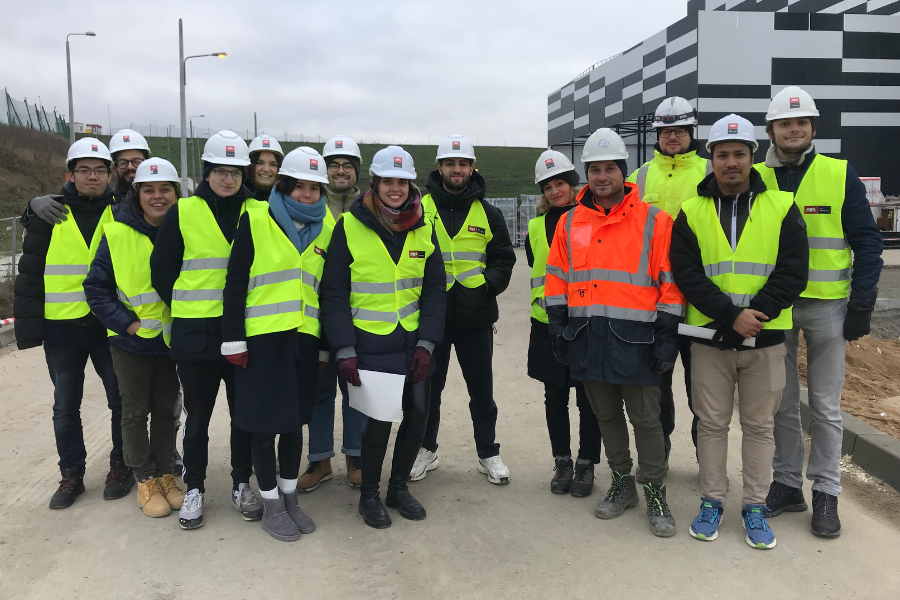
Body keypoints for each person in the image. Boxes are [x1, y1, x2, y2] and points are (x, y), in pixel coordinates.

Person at [671, 114, 809, 549]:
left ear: (753, 158)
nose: (731, 162)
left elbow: (793, 272)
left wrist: (758, 313)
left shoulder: (782, 206)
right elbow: (687, 273)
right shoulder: (691, 210)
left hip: (765, 339)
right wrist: (731, 315)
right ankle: (712, 500)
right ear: (710, 159)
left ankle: (754, 505)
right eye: (722, 154)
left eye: (739, 154)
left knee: (759, 427)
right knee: (711, 424)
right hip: (710, 339)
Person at [756, 87, 884, 538]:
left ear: (813, 128)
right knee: (782, 402)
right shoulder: (755, 177)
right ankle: (787, 484)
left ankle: (826, 493)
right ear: (771, 130)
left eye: (803, 123)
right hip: (775, 307)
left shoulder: (838, 174)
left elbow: (869, 243)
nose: (795, 129)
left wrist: (862, 304)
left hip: (827, 306)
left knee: (827, 406)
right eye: (786, 123)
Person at [544, 128, 685, 538]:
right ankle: (622, 483)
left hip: (638, 339)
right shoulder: (570, 223)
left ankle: (655, 490)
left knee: (646, 420)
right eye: (595, 169)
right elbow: (556, 278)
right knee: (605, 417)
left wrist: (666, 337)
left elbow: (669, 283)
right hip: (589, 337)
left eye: (610, 169)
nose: (602, 177)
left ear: (624, 173)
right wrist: (558, 329)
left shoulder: (655, 221)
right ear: (585, 175)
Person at [320, 146, 446, 529]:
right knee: (378, 423)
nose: (396, 189)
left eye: (402, 182)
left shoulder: (425, 225)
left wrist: (427, 343)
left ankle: (398, 487)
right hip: (370, 343)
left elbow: (435, 291)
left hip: (412, 343)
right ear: (374, 183)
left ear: (411, 185)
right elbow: (335, 292)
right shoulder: (350, 225)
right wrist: (344, 348)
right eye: (388, 181)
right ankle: (370, 494)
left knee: (419, 415)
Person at [150, 131, 261, 530]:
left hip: (244, 330)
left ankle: (240, 483)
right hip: (196, 334)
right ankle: (194, 487)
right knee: (198, 418)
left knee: (243, 415)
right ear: (207, 173)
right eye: (219, 171)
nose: (227, 179)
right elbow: (162, 270)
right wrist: (186, 304)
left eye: (234, 172)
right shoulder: (184, 211)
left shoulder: (258, 210)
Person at [14, 137, 133, 508]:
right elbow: (30, 272)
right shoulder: (50, 213)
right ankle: (71, 475)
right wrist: (30, 208)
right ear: (71, 174)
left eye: (99, 170)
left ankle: (120, 466)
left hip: (108, 324)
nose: (93, 177)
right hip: (62, 326)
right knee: (65, 405)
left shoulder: (121, 209)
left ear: (109, 174)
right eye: (84, 170)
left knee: (120, 400)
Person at [221, 147, 330, 541]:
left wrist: (323, 348)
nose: (306, 194)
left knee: (294, 424)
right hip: (261, 341)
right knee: (264, 427)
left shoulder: (328, 229)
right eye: (298, 186)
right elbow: (234, 284)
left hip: (304, 341)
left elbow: (327, 293)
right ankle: (269, 504)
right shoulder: (256, 218)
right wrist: (233, 339)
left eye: (314, 188)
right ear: (283, 185)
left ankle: (289, 498)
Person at [412, 134, 516, 485]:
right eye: (450, 163)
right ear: (439, 167)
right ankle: (426, 450)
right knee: (428, 389)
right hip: (431, 318)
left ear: (472, 168)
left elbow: (504, 257)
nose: (457, 169)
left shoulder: (489, 213)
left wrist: (488, 286)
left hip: (476, 316)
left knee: (481, 392)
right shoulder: (418, 210)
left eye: (463, 164)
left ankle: (488, 452)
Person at [83, 158, 184, 517]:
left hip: (173, 341)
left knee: (165, 410)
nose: (157, 197)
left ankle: (167, 473)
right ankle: (145, 479)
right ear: (137, 194)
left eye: (165, 190)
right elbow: (95, 287)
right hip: (131, 342)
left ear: (176, 193)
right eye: (149, 190)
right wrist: (126, 323)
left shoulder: (186, 229)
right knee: (135, 411)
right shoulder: (117, 232)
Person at [627, 97, 712, 456]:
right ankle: (657, 451)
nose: (672, 137)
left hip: (699, 296)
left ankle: (705, 456)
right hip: (653, 298)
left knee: (703, 386)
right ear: (657, 134)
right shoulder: (639, 176)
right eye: (665, 131)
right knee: (655, 383)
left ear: (691, 131)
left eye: (678, 130)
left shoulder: (710, 170)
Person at [525, 150, 601, 496]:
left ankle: (586, 464)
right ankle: (562, 461)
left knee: (589, 398)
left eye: (561, 184)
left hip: (586, 322)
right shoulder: (535, 227)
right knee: (554, 397)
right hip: (546, 323)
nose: (556, 191)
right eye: (549, 186)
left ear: (573, 184)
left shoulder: (592, 219)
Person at [297, 134, 368, 493]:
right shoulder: (309, 208)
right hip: (317, 317)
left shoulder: (368, 209)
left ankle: (356, 454)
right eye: (334, 165)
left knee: (355, 387)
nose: (341, 171)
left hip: (358, 314)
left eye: (347, 166)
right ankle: (320, 458)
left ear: (357, 172)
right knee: (320, 390)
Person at [25, 129, 151, 225]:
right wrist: (32, 208)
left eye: (137, 161)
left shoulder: (162, 198)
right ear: (114, 168)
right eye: (123, 162)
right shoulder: (112, 205)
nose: (130, 167)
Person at [247, 135, 284, 201]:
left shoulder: (289, 200)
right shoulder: (236, 198)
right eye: (259, 163)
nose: (266, 169)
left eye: (273, 164)